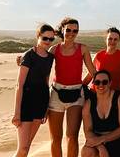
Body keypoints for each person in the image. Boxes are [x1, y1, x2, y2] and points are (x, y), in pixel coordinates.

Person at [49, 17, 97, 157]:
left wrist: (83, 84)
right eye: (68, 30)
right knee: (55, 138)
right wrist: (23, 60)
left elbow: (93, 72)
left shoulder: (82, 49)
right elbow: (41, 63)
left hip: (76, 95)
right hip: (56, 94)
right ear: (62, 30)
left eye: (75, 30)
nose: (71, 33)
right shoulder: (54, 49)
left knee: (72, 136)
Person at [12, 23, 56, 157]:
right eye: (45, 38)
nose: (48, 42)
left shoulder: (50, 58)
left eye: (51, 39)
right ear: (38, 37)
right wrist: (16, 113)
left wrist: (46, 108)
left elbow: (46, 83)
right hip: (26, 103)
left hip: (40, 103)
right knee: (23, 148)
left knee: (27, 146)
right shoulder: (29, 55)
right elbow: (19, 84)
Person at [81, 70, 120, 157]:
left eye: (104, 82)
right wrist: (100, 146)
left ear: (110, 83)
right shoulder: (89, 103)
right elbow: (87, 131)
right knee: (87, 151)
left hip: (117, 139)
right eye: (97, 82)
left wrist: (102, 139)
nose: (101, 85)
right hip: (97, 140)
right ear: (93, 84)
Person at [90, 27, 120, 97]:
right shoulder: (98, 55)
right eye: (110, 39)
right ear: (106, 40)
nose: (112, 41)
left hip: (116, 94)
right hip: (96, 94)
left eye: (115, 39)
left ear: (118, 41)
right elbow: (90, 75)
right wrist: (79, 87)